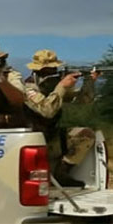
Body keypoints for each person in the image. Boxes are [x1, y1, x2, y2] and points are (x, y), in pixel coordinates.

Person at [24, 49, 101, 187]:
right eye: (46, 72)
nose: (51, 74)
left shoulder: (53, 87)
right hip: (33, 142)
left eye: (53, 70)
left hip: (51, 137)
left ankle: (62, 173)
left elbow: (83, 102)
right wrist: (61, 86)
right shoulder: (29, 88)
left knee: (86, 134)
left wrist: (89, 82)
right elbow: (47, 111)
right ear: (36, 72)